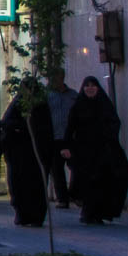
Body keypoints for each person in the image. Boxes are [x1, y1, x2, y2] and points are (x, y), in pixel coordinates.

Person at [61, 75, 128, 224]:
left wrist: (106, 137)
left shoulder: (104, 105)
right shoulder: (78, 106)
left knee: (103, 182)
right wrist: (66, 146)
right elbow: (70, 127)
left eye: (93, 86)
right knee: (87, 183)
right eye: (87, 86)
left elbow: (114, 123)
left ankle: (100, 213)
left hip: (103, 151)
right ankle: (88, 213)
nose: (90, 89)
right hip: (84, 152)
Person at [0, 88, 54, 227]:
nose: (29, 92)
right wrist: (20, 128)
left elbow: (45, 129)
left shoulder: (41, 106)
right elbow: (6, 123)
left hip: (37, 156)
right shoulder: (17, 105)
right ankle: (22, 215)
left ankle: (37, 217)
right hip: (19, 155)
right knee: (19, 185)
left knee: (37, 186)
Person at [46, 80, 78, 208]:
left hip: (71, 137)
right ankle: (62, 198)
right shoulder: (47, 95)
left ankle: (74, 193)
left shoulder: (73, 95)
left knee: (76, 166)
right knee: (56, 169)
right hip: (54, 137)